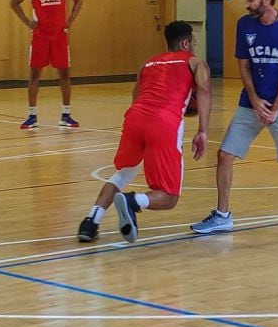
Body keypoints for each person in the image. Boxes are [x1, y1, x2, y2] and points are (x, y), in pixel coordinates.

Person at [190, 0, 278, 241]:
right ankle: (222, 216)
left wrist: (275, 108)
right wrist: (256, 101)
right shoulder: (244, 25)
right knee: (224, 155)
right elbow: (244, 65)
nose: (245, 3)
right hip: (252, 102)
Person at [77, 21, 211, 244]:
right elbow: (205, 91)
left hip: (135, 118)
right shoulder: (195, 63)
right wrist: (203, 131)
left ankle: (91, 221)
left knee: (123, 173)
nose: (194, 47)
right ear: (186, 42)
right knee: (169, 197)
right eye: (194, 43)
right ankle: (134, 201)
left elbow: (137, 95)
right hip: (163, 123)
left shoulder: (148, 64)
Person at [10, 0, 83, 128]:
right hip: (40, 36)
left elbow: (79, 0)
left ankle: (66, 114)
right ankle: (32, 116)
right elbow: (14, 2)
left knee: (64, 75)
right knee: (34, 75)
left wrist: (70, 21)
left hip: (59, 36)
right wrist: (28, 22)